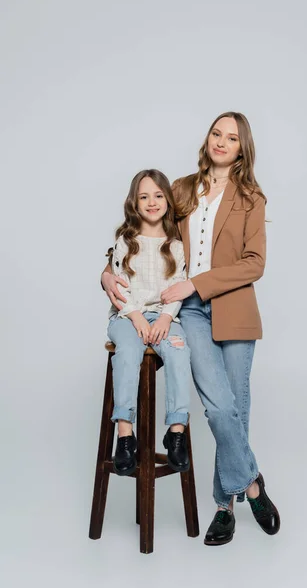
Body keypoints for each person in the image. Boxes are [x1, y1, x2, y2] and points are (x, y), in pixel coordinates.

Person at [102, 113, 280, 546]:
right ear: (208, 139)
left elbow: (255, 263)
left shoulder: (252, 198)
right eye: (216, 133)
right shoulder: (181, 188)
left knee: (235, 407)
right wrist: (105, 274)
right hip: (189, 313)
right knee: (218, 407)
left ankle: (225, 506)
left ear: (242, 148)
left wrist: (196, 282)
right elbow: (143, 234)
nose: (221, 141)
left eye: (232, 137)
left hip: (234, 309)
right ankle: (252, 483)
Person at [106, 169, 192, 477]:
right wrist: (136, 315)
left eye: (158, 196)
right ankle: (125, 434)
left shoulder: (177, 245)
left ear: (167, 200)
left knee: (180, 351)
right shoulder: (125, 242)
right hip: (127, 317)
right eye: (144, 197)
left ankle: (177, 430)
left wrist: (167, 316)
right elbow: (117, 285)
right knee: (127, 353)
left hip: (164, 317)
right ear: (134, 202)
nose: (151, 202)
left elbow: (180, 284)